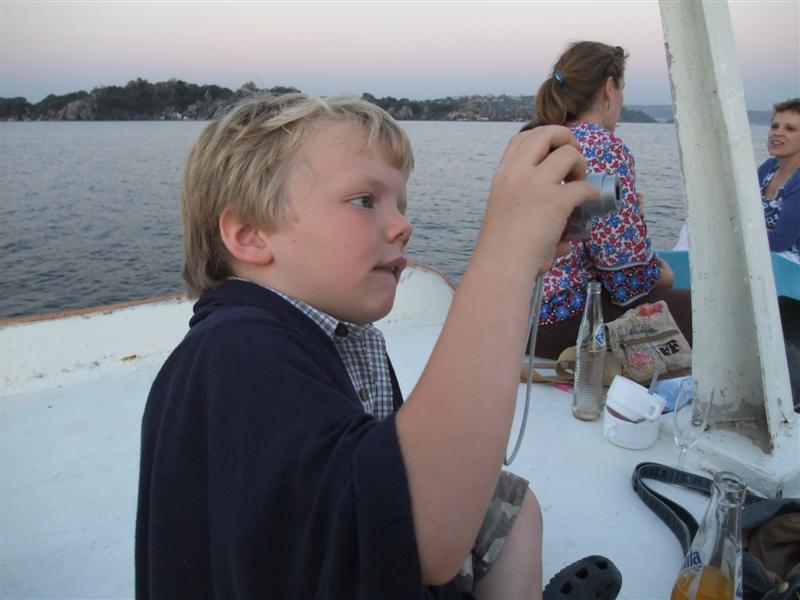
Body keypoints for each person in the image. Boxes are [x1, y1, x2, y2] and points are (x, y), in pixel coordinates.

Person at [135, 94, 622, 599]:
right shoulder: (233, 353)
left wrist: (526, 264)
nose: (403, 225)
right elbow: (421, 534)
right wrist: (507, 252)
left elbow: (413, 468)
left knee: (513, 507)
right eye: (365, 200)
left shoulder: (337, 337)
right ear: (250, 234)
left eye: (400, 204)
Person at [522, 41, 692, 359]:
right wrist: (663, 274)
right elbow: (626, 280)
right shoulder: (603, 148)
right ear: (609, 89)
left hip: (519, 316)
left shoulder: (537, 137)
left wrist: (628, 217)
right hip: (560, 321)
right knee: (706, 310)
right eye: (622, 89)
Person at [758, 98, 800, 264]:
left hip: (791, 267)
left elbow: (780, 241)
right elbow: (738, 209)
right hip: (766, 256)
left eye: (790, 129)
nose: (777, 132)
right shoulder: (769, 167)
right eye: (774, 126)